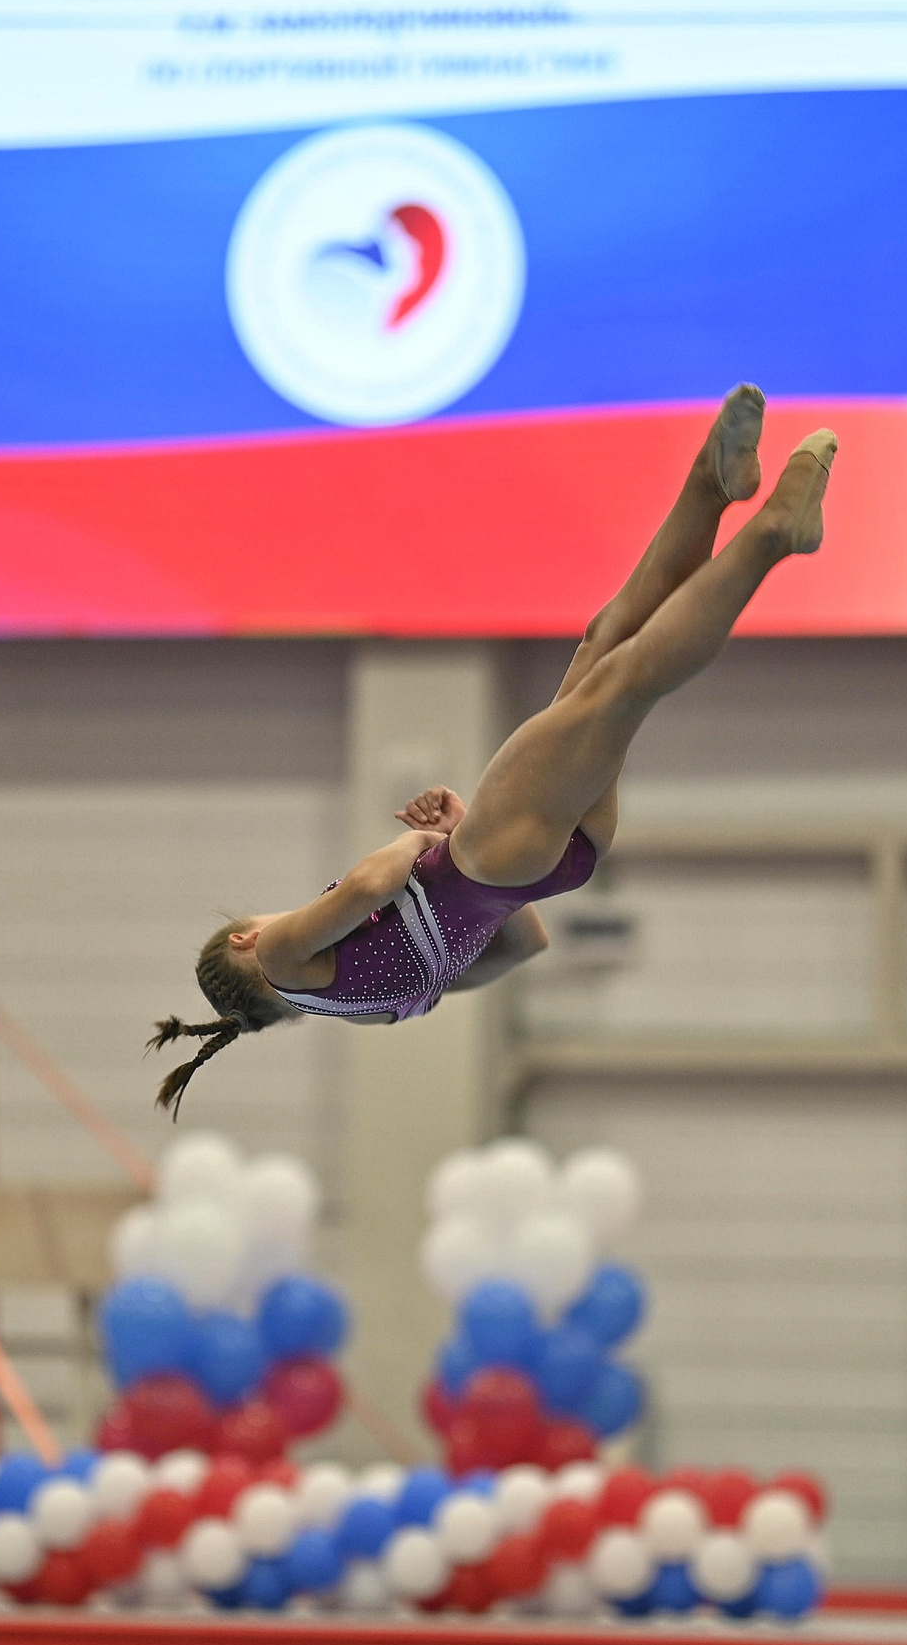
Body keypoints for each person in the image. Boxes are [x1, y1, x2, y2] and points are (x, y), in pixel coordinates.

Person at [151, 385, 834, 1112]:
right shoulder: (279, 957)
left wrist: (472, 854)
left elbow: (524, 943)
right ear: (244, 942)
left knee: (607, 647)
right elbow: (370, 888)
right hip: (487, 854)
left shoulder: (380, 1010)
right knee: (625, 676)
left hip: (551, 861)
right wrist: (426, 841)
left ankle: (713, 484)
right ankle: (771, 534)